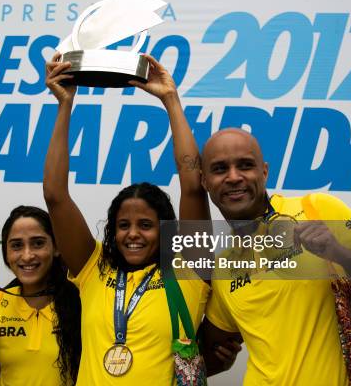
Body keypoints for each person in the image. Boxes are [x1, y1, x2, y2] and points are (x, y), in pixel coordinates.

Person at [42, 53, 240, 385]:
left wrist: (170, 99)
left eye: (146, 225)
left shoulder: (188, 270)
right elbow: (55, 195)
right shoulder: (94, 271)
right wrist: (65, 105)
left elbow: (193, 186)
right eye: (123, 225)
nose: (133, 234)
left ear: (165, 232)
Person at [198, 127, 351, 385]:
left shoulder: (317, 209)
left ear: (264, 171)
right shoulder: (223, 268)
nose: (234, 177)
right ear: (204, 181)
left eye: (245, 165)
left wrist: (339, 253)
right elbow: (203, 360)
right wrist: (220, 358)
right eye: (220, 169)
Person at [0, 205, 82, 386]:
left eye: (38, 243)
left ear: (56, 247)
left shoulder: (81, 302)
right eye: (16, 246)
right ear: (6, 252)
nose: (27, 255)